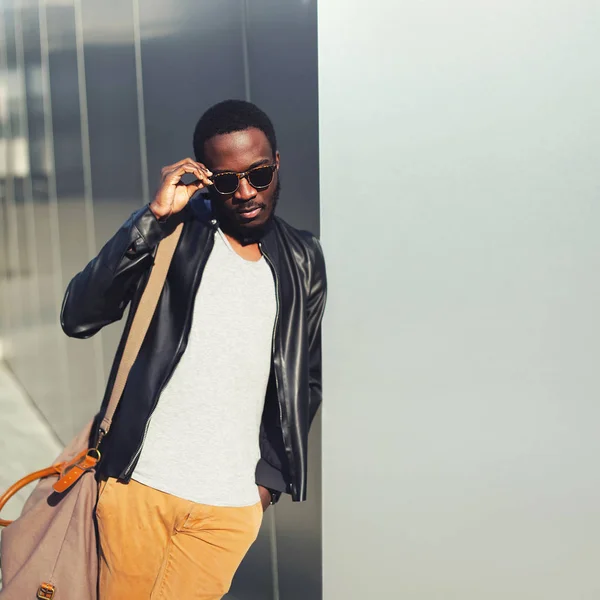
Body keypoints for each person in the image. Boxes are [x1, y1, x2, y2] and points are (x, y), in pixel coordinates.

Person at [60, 99, 327, 599]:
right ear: (205, 177)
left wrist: (266, 485)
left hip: (228, 507)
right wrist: (152, 217)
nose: (246, 192)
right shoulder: (174, 232)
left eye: (259, 174)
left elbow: (306, 376)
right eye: (228, 181)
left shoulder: (303, 258)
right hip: (141, 488)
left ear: (277, 163)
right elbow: (79, 316)